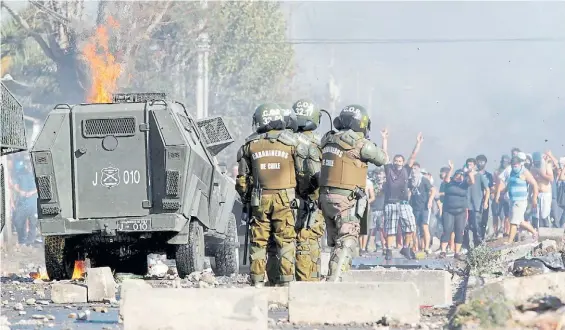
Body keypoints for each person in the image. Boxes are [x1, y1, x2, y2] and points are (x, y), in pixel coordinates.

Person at [235, 103, 313, 288]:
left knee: (258, 242)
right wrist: (303, 195)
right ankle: (286, 284)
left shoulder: (249, 145)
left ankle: (257, 283)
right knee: (285, 241)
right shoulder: (293, 143)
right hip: (287, 200)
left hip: (259, 199)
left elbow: (242, 180)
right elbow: (304, 175)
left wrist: (247, 199)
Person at [318, 104, 387, 281]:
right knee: (348, 238)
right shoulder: (360, 143)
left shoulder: (328, 138)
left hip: (325, 196)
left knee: (335, 242)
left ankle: (331, 276)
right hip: (345, 198)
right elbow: (382, 159)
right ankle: (335, 280)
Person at [291, 99, 325, 282]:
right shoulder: (320, 142)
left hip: (287, 199)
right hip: (311, 200)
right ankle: (309, 281)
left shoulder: (286, 140)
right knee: (309, 241)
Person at [380, 129, 424, 260]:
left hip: (404, 203)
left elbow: (413, 156)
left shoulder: (406, 170)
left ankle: (406, 248)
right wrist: (384, 139)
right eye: (396, 160)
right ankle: (388, 250)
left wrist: (418, 143)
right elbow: (384, 154)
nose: (398, 162)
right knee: (391, 228)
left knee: (411, 226)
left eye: (400, 161)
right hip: (391, 203)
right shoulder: (389, 169)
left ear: (402, 162)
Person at [496, 155, 539, 244]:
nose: (514, 167)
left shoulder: (524, 172)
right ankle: (534, 232)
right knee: (519, 221)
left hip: (520, 201)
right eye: (513, 166)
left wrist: (534, 198)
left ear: (520, 164)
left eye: (516, 166)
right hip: (512, 199)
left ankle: (509, 241)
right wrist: (502, 192)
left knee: (514, 222)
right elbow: (509, 184)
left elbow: (534, 184)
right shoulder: (511, 172)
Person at [439, 161, 475, 260]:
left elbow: (472, 181)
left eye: (462, 175)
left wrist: (470, 172)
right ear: (454, 175)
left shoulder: (464, 184)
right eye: (458, 175)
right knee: (447, 230)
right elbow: (446, 179)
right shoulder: (449, 182)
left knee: (459, 231)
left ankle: (457, 252)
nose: (460, 177)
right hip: (448, 211)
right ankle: (443, 251)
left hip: (461, 212)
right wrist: (451, 169)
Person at [11, 157, 38, 246]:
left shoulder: (37, 173)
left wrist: (32, 192)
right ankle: (22, 240)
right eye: (26, 163)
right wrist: (20, 191)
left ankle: (30, 242)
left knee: (33, 223)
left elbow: (42, 186)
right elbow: (14, 185)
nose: (28, 165)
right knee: (18, 221)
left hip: (34, 202)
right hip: (22, 202)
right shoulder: (20, 173)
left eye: (29, 163)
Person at [463, 158, 490, 248]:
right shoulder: (464, 176)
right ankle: (466, 246)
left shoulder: (480, 176)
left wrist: (485, 201)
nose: (469, 166)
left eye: (470, 164)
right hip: (466, 205)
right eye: (468, 165)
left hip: (476, 205)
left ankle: (478, 244)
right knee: (465, 226)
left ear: (474, 165)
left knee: (476, 226)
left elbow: (487, 189)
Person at [409, 163, 435, 254]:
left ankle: (427, 247)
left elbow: (433, 190)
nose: (413, 170)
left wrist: (430, 201)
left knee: (424, 226)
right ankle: (415, 246)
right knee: (414, 227)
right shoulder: (410, 181)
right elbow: (408, 192)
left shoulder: (424, 180)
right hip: (414, 207)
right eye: (412, 168)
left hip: (424, 207)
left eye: (415, 168)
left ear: (419, 169)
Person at [529, 151, 554, 228]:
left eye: (538, 162)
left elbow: (551, 178)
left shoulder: (546, 166)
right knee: (535, 215)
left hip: (545, 193)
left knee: (545, 214)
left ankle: (547, 231)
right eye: (535, 162)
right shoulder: (532, 168)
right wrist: (530, 194)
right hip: (536, 193)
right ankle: (536, 232)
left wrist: (541, 174)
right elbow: (531, 182)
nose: (536, 163)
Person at [368, 168, 386, 253]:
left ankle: (383, 247)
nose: (379, 176)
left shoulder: (386, 185)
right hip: (373, 209)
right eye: (377, 174)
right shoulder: (372, 184)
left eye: (380, 174)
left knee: (382, 229)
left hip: (382, 209)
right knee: (371, 229)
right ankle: (368, 246)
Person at [492, 155, 511, 237]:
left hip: (507, 196)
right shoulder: (496, 172)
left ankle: (507, 231)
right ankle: (496, 232)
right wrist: (494, 193)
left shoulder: (511, 171)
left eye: (506, 162)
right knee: (496, 214)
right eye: (503, 161)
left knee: (507, 215)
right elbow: (493, 185)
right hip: (497, 195)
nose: (505, 163)